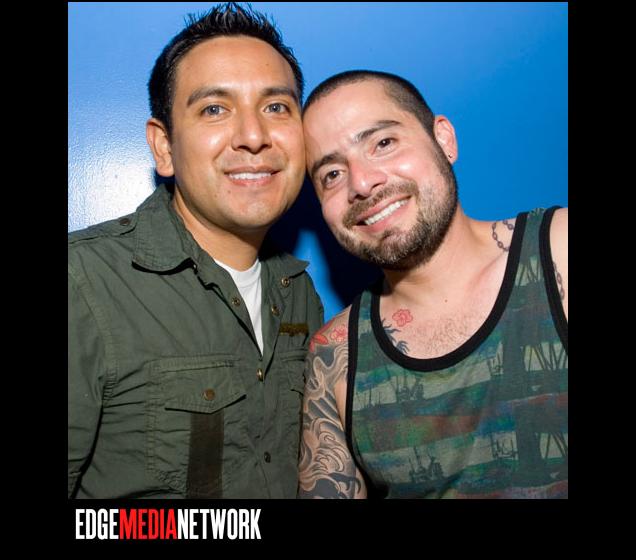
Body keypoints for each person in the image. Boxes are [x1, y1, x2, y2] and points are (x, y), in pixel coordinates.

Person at [68, 2, 323, 499]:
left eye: (276, 107)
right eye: (214, 109)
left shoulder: (298, 294)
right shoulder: (83, 283)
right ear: (164, 148)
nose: (254, 136)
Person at [298, 70, 567, 499]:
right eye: (331, 174)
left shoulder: (559, 250)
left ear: (444, 140)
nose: (362, 183)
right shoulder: (334, 356)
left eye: (383, 143)